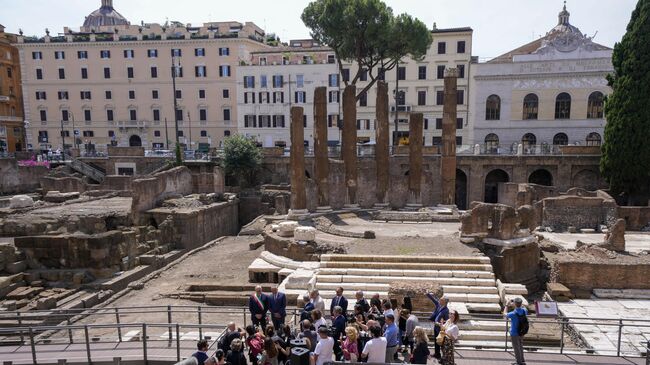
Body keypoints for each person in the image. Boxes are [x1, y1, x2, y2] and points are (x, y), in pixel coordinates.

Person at [426, 293, 449, 360]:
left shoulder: (446, 310)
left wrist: (440, 323)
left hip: (440, 329)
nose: (439, 299)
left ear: (444, 301)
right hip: (436, 327)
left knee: (441, 343)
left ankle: (444, 357)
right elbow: (434, 300)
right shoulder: (439, 305)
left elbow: (447, 321)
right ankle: (437, 354)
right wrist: (428, 294)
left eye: (441, 299)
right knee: (436, 342)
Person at [505, 297, 528, 365]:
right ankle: (522, 360)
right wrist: (519, 304)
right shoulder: (524, 311)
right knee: (520, 345)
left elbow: (504, 314)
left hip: (514, 332)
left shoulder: (513, 313)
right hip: (521, 331)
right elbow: (525, 307)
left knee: (516, 347)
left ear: (515, 304)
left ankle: (519, 362)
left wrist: (506, 305)